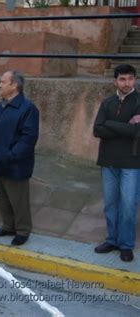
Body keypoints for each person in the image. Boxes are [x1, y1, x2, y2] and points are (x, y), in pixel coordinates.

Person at [0, 70, 39, 246]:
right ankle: (8, 226)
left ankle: (22, 230)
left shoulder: (28, 109)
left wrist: (9, 156)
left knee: (19, 200)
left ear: (15, 85)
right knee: (3, 198)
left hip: (15, 165)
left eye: (3, 81)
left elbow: (28, 139)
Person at [93, 64, 140, 262]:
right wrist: (125, 125)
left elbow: (136, 132)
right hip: (108, 161)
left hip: (132, 162)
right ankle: (112, 240)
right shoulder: (107, 102)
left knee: (128, 205)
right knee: (111, 204)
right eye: (122, 79)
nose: (127, 83)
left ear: (135, 80)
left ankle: (126, 245)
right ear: (115, 81)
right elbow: (97, 130)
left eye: (130, 78)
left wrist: (110, 125)